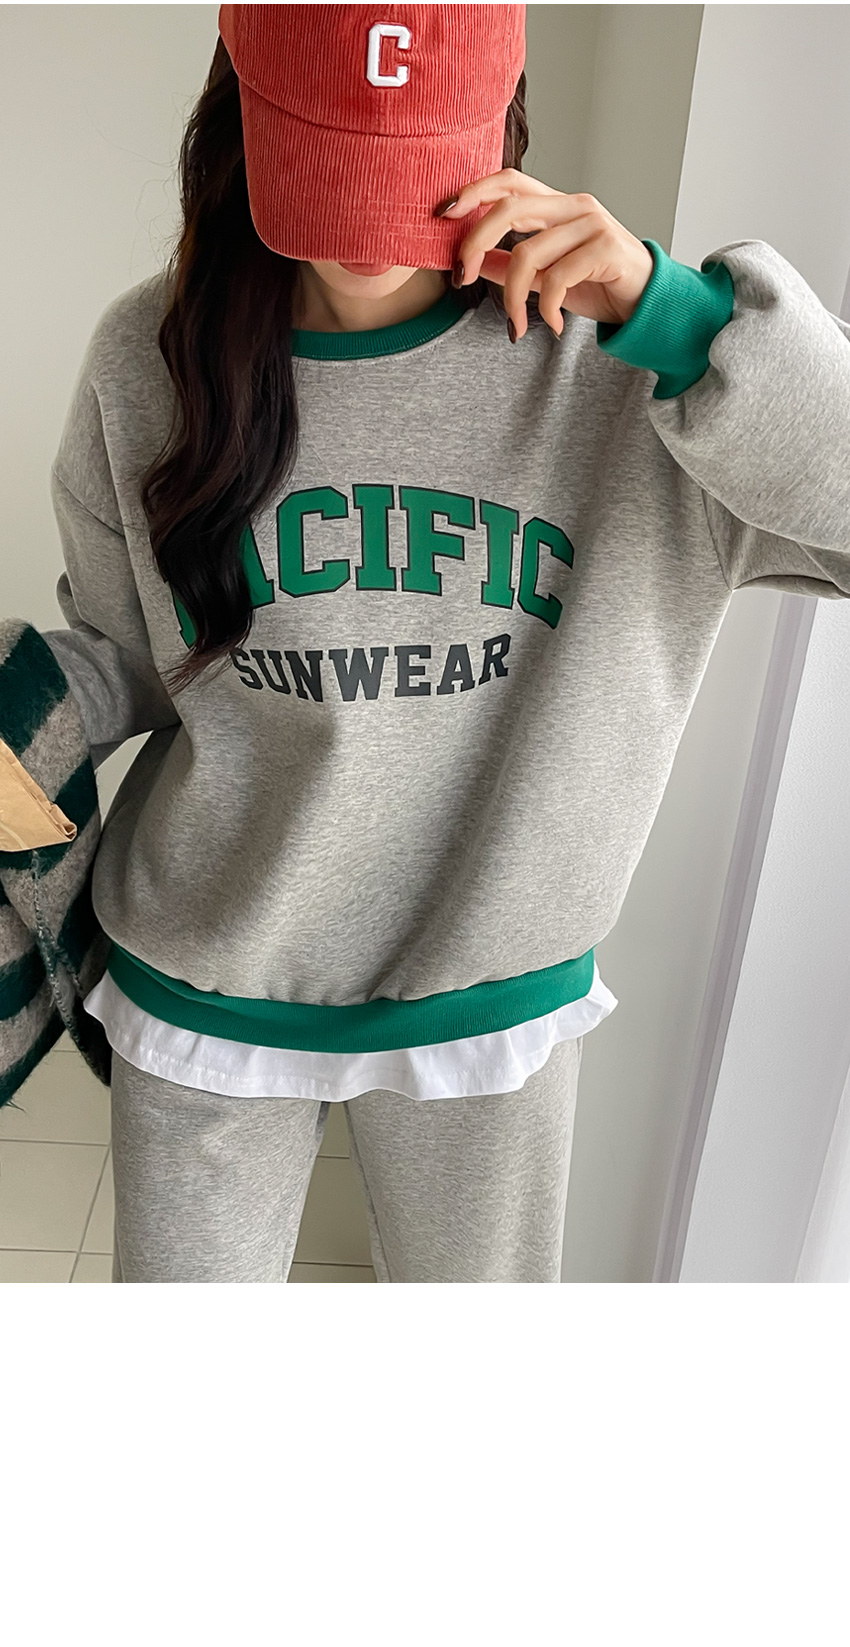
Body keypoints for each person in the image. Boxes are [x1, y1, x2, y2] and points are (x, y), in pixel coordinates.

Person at [3, 2, 850, 1282]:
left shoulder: (630, 365)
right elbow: (129, 656)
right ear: (241, 122)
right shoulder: (153, 354)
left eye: (406, 174)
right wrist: (19, 703)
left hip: (489, 995)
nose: (364, 239)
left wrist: (684, 322)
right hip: (207, 976)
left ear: (501, 128)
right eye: (326, 167)